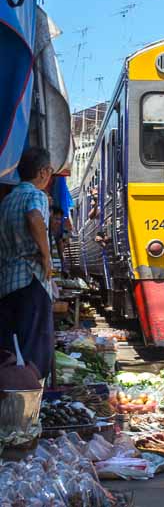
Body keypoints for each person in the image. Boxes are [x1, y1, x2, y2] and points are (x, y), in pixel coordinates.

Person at [0, 147, 55, 380]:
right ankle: (29, 408)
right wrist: (45, 256)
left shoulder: (7, 201)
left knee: (11, 351)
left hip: (7, 282)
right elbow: (34, 217)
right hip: (30, 279)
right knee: (33, 349)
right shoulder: (36, 195)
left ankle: (12, 405)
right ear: (43, 172)